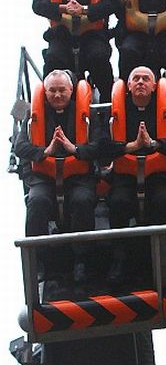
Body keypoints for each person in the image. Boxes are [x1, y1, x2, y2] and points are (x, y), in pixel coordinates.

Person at [14, 70, 103, 282]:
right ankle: (38, 261)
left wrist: (74, 149)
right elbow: (20, 147)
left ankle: (82, 259)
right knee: (36, 201)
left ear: (71, 90)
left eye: (62, 90)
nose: (57, 95)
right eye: (52, 90)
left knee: (82, 200)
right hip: (44, 176)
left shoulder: (86, 114)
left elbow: (99, 146)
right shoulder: (33, 115)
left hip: (78, 176)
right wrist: (45, 151)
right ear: (45, 92)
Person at [104, 66, 166, 281]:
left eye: (146, 79)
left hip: (159, 174)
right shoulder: (115, 111)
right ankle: (118, 259)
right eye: (136, 79)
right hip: (124, 175)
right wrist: (130, 146)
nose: (141, 82)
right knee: (118, 202)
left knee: (163, 200)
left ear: (155, 85)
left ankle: (163, 258)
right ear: (129, 85)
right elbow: (101, 146)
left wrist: (155, 144)